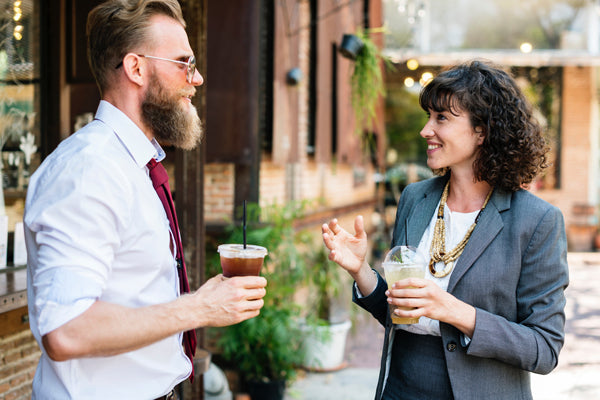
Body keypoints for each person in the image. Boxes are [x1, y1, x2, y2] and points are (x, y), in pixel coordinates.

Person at [24, 1, 267, 399]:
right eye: (184, 64)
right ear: (136, 68)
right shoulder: (89, 170)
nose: (198, 78)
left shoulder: (133, 164)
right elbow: (65, 331)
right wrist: (200, 307)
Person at [322, 60, 568, 400]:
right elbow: (398, 314)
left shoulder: (537, 221)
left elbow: (543, 348)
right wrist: (360, 269)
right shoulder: (415, 198)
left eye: (442, 118)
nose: (426, 130)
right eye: (428, 117)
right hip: (401, 388)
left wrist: (453, 310)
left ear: (482, 131)